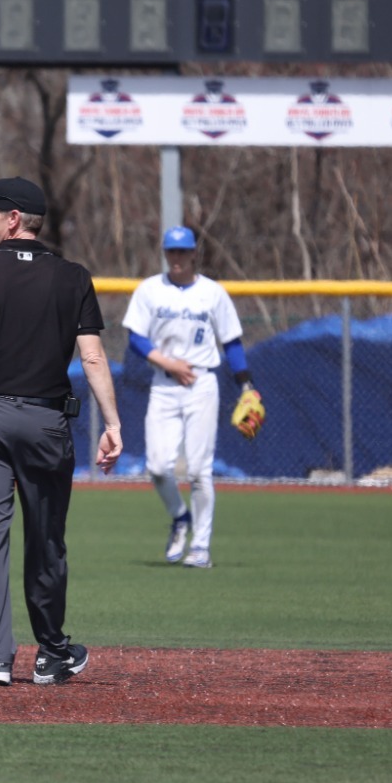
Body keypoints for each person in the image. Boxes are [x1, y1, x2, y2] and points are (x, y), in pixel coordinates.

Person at [0, 177, 123, 687]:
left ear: (14, 219)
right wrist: (112, 422)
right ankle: (52, 653)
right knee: (46, 539)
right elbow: (92, 354)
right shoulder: (73, 277)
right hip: (45, 422)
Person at [122, 226, 254, 569]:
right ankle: (180, 517)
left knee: (198, 470)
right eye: (171, 251)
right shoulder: (151, 290)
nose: (177, 258)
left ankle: (201, 547)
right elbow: (135, 337)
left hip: (201, 383)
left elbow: (232, 343)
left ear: (194, 253)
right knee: (157, 466)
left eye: (182, 251)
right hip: (164, 383)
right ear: (165, 253)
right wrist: (167, 362)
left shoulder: (212, 293)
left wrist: (246, 385)